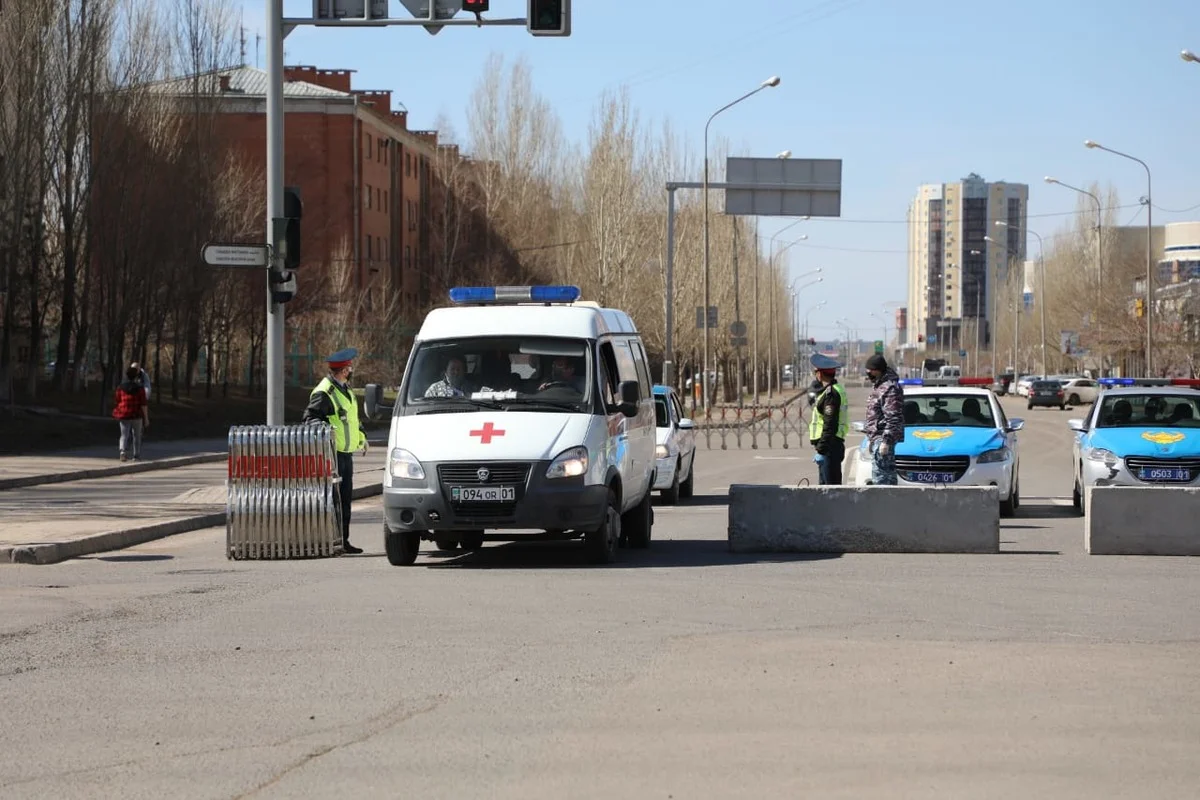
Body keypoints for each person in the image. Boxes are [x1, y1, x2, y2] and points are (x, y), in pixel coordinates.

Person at [303, 347, 368, 554]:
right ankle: (331, 540)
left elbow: (352, 420)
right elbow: (310, 419)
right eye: (349, 367)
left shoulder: (346, 390)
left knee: (345, 499)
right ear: (344, 370)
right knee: (333, 500)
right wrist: (326, 431)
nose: (351, 369)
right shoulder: (324, 392)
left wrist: (362, 438)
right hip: (332, 454)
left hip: (346, 454)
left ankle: (343, 540)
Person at [863, 353, 905, 485]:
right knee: (880, 479)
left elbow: (893, 417)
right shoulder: (880, 385)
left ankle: (886, 505)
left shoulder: (889, 388)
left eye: (870, 371)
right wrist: (871, 438)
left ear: (877, 370)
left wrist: (886, 441)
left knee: (883, 481)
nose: (868, 374)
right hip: (877, 439)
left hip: (883, 440)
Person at [808, 353, 848, 485]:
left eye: (816, 372)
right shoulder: (832, 390)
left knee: (831, 489)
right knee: (827, 487)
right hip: (831, 445)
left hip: (830, 447)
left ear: (820, 374)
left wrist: (822, 450)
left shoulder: (831, 395)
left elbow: (830, 425)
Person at [112, 364, 149, 461]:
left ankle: (122, 452)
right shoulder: (140, 388)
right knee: (137, 435)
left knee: (124, 434)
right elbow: (143, 404)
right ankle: (136, 455)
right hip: (137, 415)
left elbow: (117, 400)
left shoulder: (120, 388)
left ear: (126, 375)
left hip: (124, 414)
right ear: (136, 376)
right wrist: (146, 418)